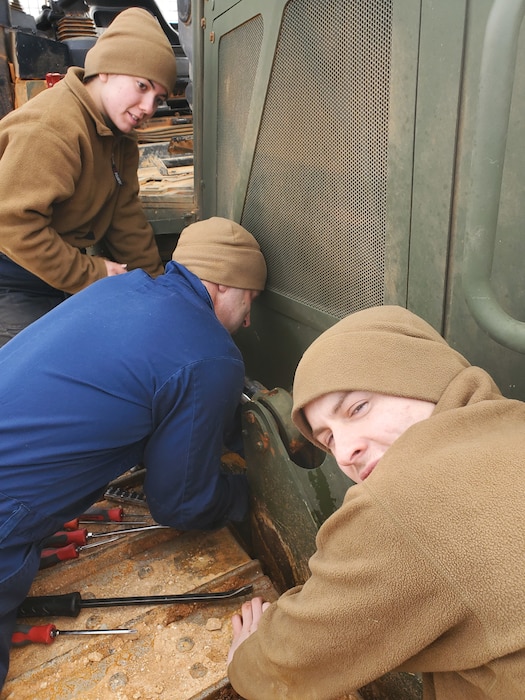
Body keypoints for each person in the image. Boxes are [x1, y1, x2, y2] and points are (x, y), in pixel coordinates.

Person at [0, 216, 267, 690]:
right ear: (224, 285)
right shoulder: (211, 354)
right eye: (250, 301)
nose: (248, 320)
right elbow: (180, 503)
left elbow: (153, 390)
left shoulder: (117, 291)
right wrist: (250, 494)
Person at [227, 305, 525, 699]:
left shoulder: (409, 502)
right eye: (329, 438)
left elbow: (289, 663)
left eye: (358, 408)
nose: (346, 452)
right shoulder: (511, 424)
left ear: (425, 377)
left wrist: (244, 660)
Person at [0, 7, 177, 347]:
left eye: (158, 98)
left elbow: (124, 216)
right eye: (141, 86)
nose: (148, 107)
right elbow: (13, 223)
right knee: (46, 366)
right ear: (105, 71)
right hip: (10, 270)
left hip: (52, 267)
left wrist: (156, 291)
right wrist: (92, 273)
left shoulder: (119, 136)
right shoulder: (52, 129)